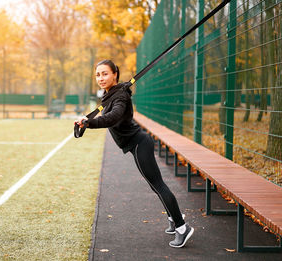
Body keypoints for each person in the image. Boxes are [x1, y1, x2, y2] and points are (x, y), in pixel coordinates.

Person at [75, 59, 194, 248]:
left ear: (115, 74)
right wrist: (86, 121)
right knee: (156, 186)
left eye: (105, 73)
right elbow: (105, 112)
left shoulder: (120, 96)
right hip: (135, 144)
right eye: (98, 74)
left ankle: (182, 227)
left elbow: (112, 118)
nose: (101, 78)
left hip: (139, 144)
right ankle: (174, 219)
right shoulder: (110, 95)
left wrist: (90, 123)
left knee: (158, 185)